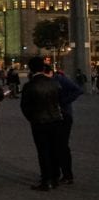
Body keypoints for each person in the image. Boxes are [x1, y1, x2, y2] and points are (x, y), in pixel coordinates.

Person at [19, 57, 62, 191]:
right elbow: (59, 99)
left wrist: (32, 117)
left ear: (31, 69)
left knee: (43, 151)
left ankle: (46, 179)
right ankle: (55, 176)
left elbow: (24, 106)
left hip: (39, 121)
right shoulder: (53, 83)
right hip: (55, 119)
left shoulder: (30, 85)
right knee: (54, 149)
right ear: (43, 68)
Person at [48, 64, 83, 185]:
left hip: (64, 116)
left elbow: (78, 90)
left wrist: (64, 101)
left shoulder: (60, 79)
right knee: (54, 145)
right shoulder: (49, 81)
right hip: (53, 116)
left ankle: (67, 175)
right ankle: (56, 174)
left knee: (62, 146)